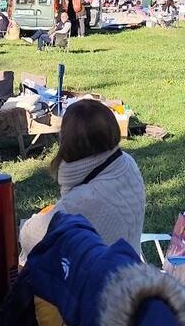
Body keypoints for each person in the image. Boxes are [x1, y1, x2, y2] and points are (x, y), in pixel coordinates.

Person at [19, 99, 145, 261]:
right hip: (128, 268)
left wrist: (37, 218)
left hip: (100, 282)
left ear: (67, 141)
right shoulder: (125, 163)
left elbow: (31, 239)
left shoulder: (84, 200)